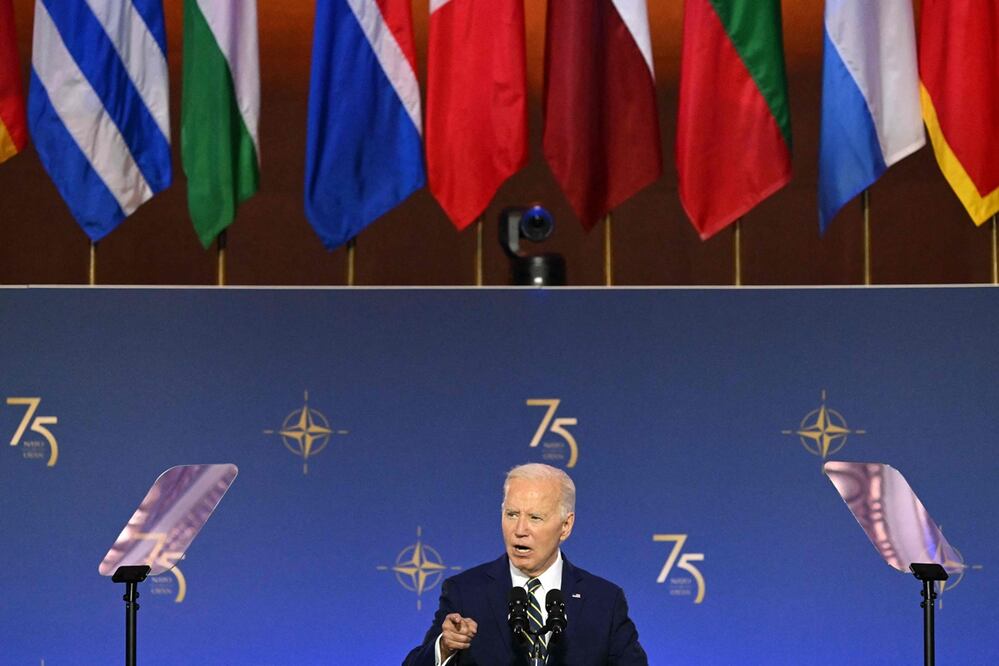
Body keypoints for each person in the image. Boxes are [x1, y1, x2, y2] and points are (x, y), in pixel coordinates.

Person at [403, 463, 647, 665]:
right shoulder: (465, 592)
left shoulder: (604, 601)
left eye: (535, 517)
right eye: (511, 514)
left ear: (566, 526)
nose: (519, 530)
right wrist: (444, 648)